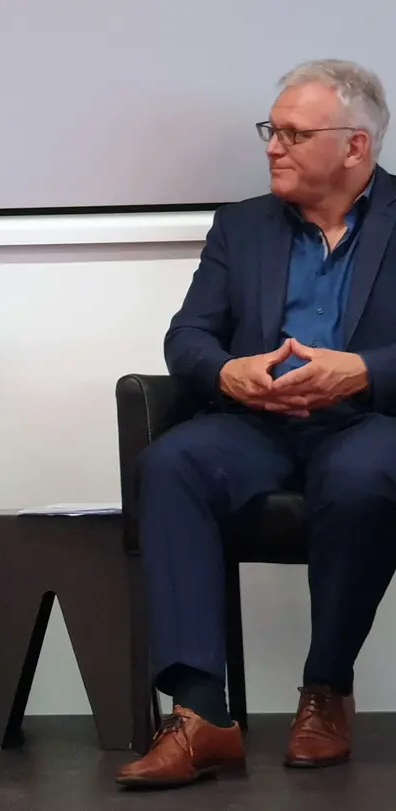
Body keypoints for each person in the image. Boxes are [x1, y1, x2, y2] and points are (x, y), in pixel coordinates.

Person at [118, 59, 394, 790]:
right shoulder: (240, 226)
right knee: (170, 463)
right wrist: (225, 372)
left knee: (362, 477)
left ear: (356, 146)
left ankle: (326, 688)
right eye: (271, 130)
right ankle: (200, 716)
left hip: (369, 419)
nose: (273, 146)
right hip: (257, 422)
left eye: (294, 134)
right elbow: (188, 336)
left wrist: (362, 370)